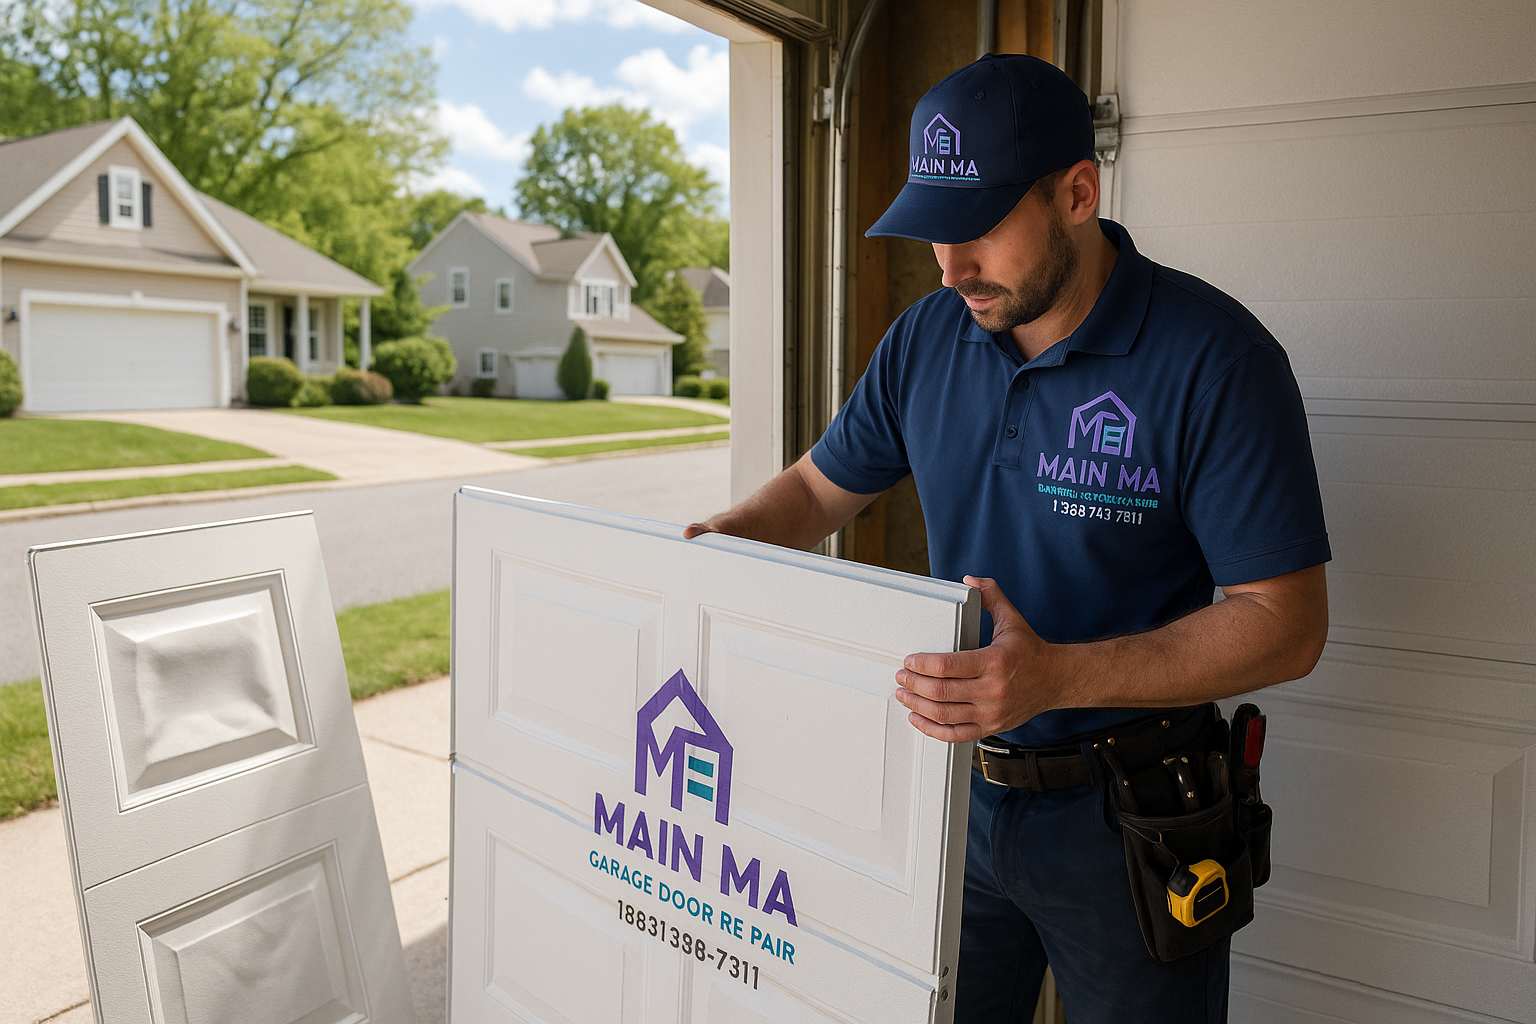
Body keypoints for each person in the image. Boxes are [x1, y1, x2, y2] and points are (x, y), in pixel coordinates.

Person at [684, 53, 1330, 1023]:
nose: (949, 266)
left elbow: (1287, 624)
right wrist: (722, 539)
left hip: (1135, 815)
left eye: (980, 226)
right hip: (955, 799)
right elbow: (819, 488)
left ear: (1078, 192)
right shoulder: (925, 338)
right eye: (933, 231)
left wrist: (1055, 676)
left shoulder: (1217, 360)